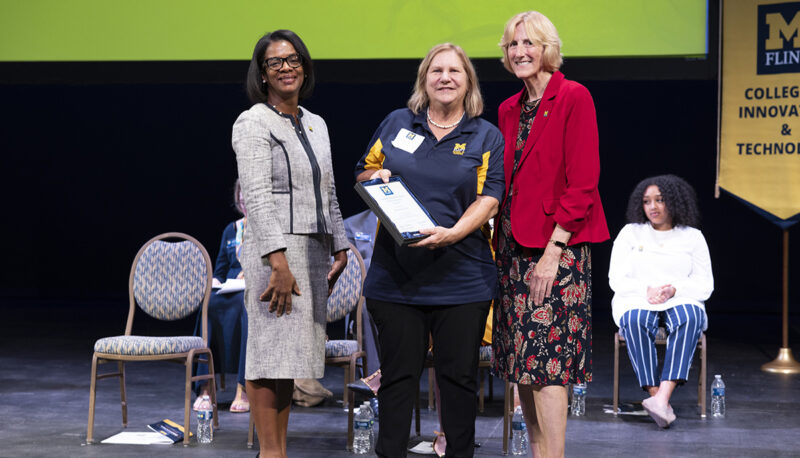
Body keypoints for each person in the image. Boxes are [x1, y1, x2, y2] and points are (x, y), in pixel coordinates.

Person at [354, 43, 504, 457]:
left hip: (463, 280)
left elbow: (490, 198)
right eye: (436, 70)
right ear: (424, 79)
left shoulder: (485, 134)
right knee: (399, 379)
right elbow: (363, 170)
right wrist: (377, 174)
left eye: (455, 71)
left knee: (459, 382)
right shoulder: (398, 123)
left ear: (468, 81)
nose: (445, 77)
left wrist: (453, 234)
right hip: (396, 279)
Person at [491, 11, 609, 458]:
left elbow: (583, 182)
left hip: (557, 250)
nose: (519, 52)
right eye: (511, 45)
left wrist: (553, 251)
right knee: (522, 364)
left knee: (549, 365)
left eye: (528, 43)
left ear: (547, 49)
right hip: (512, 251)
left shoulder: (574, 97)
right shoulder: (508, 108)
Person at [232, 29, 349, 458]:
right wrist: (277, 261)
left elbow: (330, 189)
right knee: (269, 356)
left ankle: (278, 450)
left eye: (293, 59)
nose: (286, 68)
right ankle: (270, 452)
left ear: (305, 66)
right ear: (262, 74)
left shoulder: (316, 123)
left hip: (313, 251)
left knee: (290, 360)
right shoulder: (253, 122)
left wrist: (340, 245)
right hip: (275, 253)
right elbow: (258, 196)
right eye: (275, 62)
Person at [609, 174, 713, 428]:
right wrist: (646, 290)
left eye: (660, 200)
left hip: (680, 298)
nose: (652, 207)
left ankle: (662, 397)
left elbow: (705, 284)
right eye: (647, 201)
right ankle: (656, 398)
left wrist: (674, 290)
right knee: (634, 320)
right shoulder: (631, 234)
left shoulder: (693, 237)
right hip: (639, 297)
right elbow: (616, 277)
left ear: (675, 202)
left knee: (690, 317)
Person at [193, 179, 250, 413]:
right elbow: (220, 270)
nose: (244, 201)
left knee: (244, 307)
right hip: (230, 287)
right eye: (240, 197)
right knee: (209, 304)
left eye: (248, 196)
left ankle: (243, 388)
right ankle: (205, 387)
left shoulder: (268, 229)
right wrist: (215, 284)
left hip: (254, 289)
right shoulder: (232, 230)